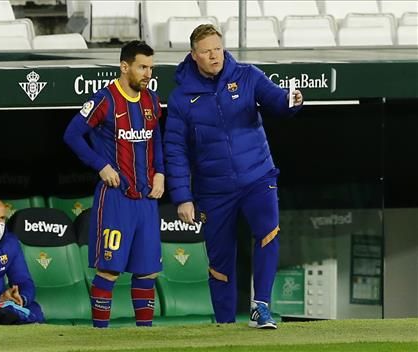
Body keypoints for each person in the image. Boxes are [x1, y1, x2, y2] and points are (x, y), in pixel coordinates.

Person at [164, 24, 304, 329]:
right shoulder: (180, 99)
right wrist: (183, 198)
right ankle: (225, 325)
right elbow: (174, 151)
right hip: (213, 191)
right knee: (220, 259)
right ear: (194, 55)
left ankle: (261, 307)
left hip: (258, 176)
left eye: (217, 48)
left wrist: (291, 101)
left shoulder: (248, 75)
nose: (214, 55)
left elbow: (277, 100)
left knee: (268, 233)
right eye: (206, 51)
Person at [63, 40, 164, 328]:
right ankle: (100, 335)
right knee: (109, 270)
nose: (148, 73)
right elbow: (71, 135)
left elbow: (155, 138)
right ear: (124, 67)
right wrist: (101, 166)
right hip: (116, 198)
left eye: (151, 68)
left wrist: (161, 173)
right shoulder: (105, 100)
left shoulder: (152, 101)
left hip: (147, 198)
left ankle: (145, 338)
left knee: (147, 272)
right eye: (142, 67)